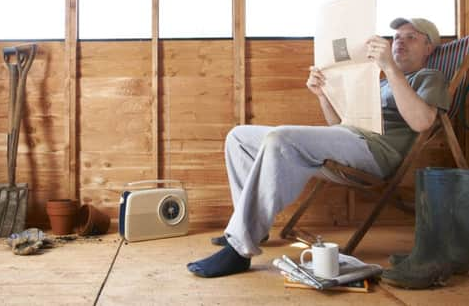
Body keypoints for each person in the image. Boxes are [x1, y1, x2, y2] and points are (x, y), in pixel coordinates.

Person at [187, 17, 450, 278]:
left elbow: (422, 121)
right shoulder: (380, 83)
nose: (399, 42)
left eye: (411, 37)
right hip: (351, 139)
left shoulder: (430, 77)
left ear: (429, 48)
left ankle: (239, 248)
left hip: (375, 152)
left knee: (280, 138)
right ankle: (251, 225)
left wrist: (390, 69)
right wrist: (322, 94)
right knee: (239, 137)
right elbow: (339, 124)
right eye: (397, 37)